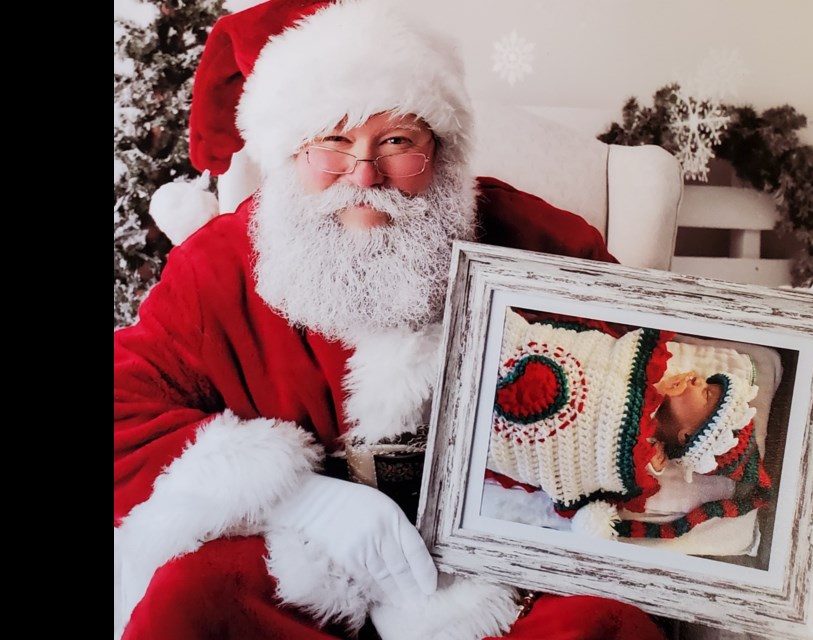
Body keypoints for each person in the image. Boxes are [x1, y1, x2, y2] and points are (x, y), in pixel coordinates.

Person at [114, 1, 670, 639]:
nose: (364, 174)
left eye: (397, 142)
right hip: (301, 569)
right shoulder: (219, 265)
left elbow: (657, 367)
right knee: (194, 601)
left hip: (503, 579)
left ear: (440, 150)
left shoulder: (529, 238)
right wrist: (299, 499)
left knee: (603, 623)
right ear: (292, 152)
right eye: (332, 140)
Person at [483, 309, 772, 542]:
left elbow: (601, 472)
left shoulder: (640, 463)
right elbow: (607, 361)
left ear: (688, 435)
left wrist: (651, 462)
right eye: (709, 382)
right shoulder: (643, 372)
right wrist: (656, 387)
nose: (699, 380)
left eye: (706, 393)